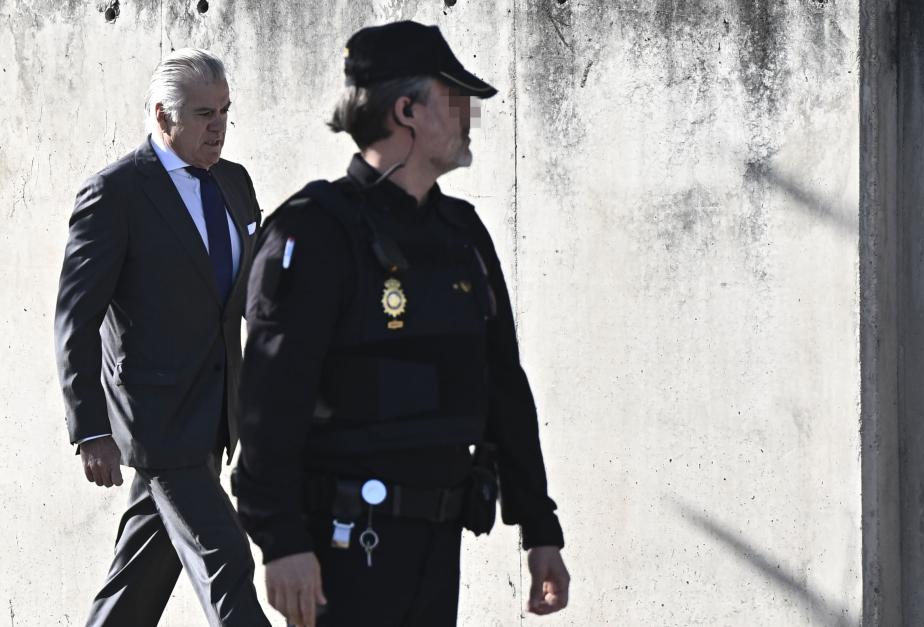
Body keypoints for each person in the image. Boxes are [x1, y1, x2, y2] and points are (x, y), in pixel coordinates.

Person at [234, 21, 570, 627]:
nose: (468, 115)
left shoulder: (461, 233)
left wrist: (538, 527)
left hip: (437, 545)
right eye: (455, 99)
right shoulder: (314, 231)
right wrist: (281, 541)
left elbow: (501, 385)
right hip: (342, 547)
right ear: (407, 110)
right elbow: (268, 405)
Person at [54, 48, 271, 626]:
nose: (218, 125)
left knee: (139, 579)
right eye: (203, 114)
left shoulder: (234, 183)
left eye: (225, 110)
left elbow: (253, 291)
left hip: (213, 417)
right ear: (162, 115)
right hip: (155, 421)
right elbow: (75, 318)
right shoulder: (115, 194)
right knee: (224, 555)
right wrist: (91, 429)